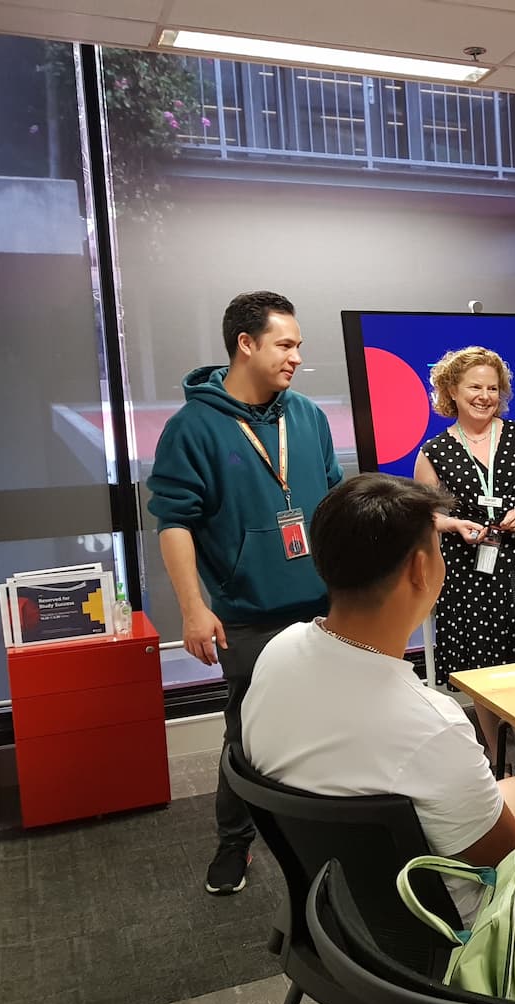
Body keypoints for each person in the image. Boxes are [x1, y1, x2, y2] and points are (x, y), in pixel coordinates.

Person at [243, 473, 515, 928]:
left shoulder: (278, 652)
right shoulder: (431, 725)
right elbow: (511, 850)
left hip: (338, 909)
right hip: (443, 931)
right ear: (420, 570)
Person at [147, 291, 343, 897]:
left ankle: (326, 836)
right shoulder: (193, 428)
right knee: (249, 732)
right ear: (246, 344)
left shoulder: (306, 415)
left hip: (323, 607)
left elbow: (333, 502)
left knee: (330, 724)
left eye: (299, 347)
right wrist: (193, 607)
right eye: (286, 345)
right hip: (247, 612)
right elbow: (174, 522)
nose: (296, 357)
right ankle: (234, 842)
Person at [413, 346, 515, 689]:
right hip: (466, 570)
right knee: (480, 669)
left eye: (492, 388)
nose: (485, 396)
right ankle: (492, 745)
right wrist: (452, 524)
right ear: (452, 390)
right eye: (475, 387)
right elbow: (423, 513)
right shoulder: (434, 451)